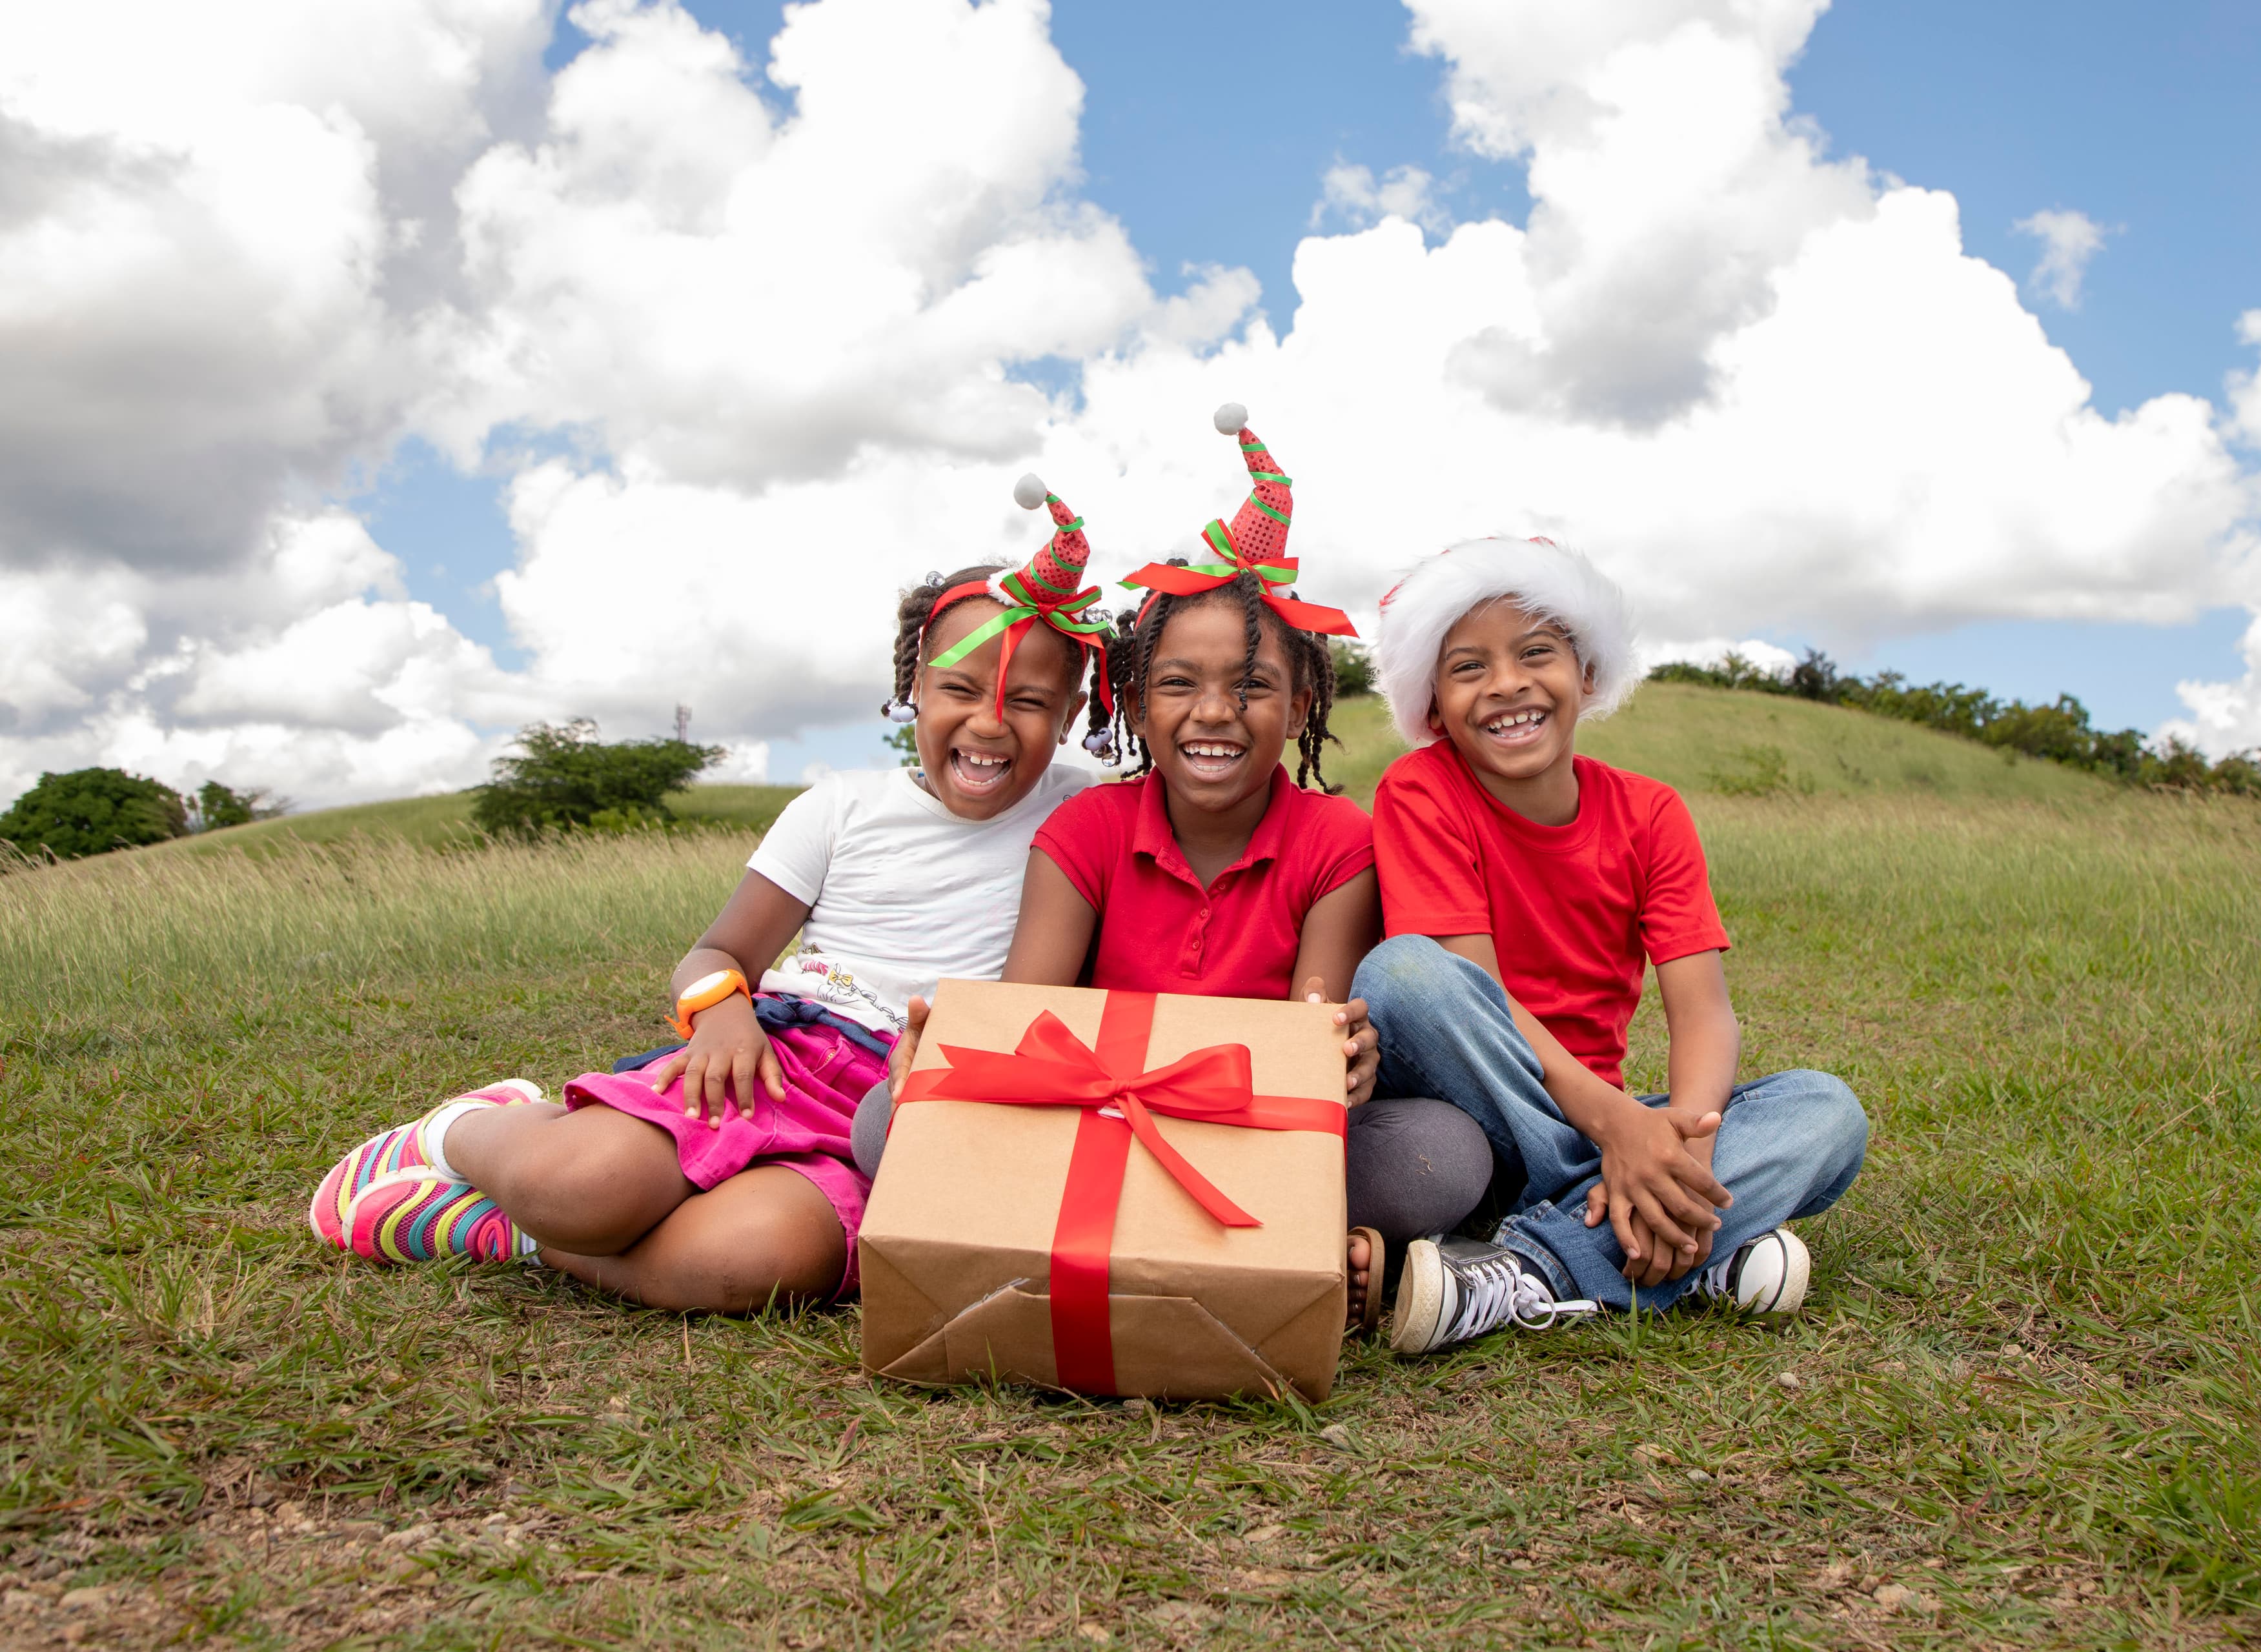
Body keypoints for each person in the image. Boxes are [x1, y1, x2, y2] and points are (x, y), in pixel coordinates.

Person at [307, 474, 1119, 1312]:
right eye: (959, 689)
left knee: (744, 1262)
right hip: (774, 1058)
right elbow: (718, 951)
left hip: (902, 1111)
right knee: (580, 1186)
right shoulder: (841, 809)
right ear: (914, 685)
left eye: (1027, 701)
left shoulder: (1085, 807)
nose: (990, 723)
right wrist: (724, 1012)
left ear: (1067, 716)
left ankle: (507, 1236)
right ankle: (465, 1130)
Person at [850, 407, 1495, 1328]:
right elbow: (1027, 1010)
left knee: (1442, 1153)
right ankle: (1296, 1247)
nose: (1215, 713)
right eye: (1179, 684)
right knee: (887, 1120)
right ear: (1136, 704)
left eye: (1254, 685)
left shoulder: (1338, 841)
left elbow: (1308, 1039)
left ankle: (1205, 1237)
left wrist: (1344, 1065)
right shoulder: (1086, 830)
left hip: (1252, 1126)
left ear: (1303, 699)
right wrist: (952, 1054)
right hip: (1096, 1120)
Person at [1352, 537, 1869, 1354]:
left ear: (1586, 673)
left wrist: (1683, 1151)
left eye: (1536, 653)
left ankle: (1529, 1267)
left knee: (1827, 1110)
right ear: (1434, 705)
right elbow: (1466, 987)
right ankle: (1692, 1250)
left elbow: (1704, 1015)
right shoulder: (1421, 791)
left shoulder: (1651, 813)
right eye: (1468, 667)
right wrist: (1625, 1133)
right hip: (1481, 1103)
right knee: (1405, 970)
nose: (1508, 684)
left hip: (1606, 1123)